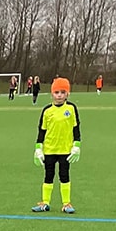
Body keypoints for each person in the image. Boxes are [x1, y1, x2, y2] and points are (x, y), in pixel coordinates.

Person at [31, 76, 81, 214]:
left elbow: (76, 128)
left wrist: (77, 146)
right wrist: (38, 148)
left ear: (67, 94)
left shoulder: (71, 108)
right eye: (57, 92)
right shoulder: (47, 111)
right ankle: (45, 203)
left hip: (65, 149)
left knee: (64, 175)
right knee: (48, 175)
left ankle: (66, 203)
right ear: (52, 94)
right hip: (49, 150)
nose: (59, 96)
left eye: (62, 92)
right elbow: (41, 130)